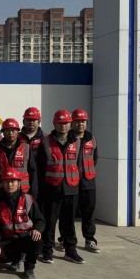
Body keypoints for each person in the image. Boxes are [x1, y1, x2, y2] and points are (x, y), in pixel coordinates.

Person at [37, 109, 84, 264]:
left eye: (66, 123)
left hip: (71, 188)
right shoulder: (45, 141)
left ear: (70, 124)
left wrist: (75, 183)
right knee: (50, 222)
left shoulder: (77, 142)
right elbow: (40, 166)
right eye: (60, 123)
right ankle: (47, 251)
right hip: (52, 188)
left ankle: (70, 251)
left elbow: (78, 165)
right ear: (54, 124)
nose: (63, 126)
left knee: (69, 222)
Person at [0, 168, 45, 279]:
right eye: (6, 181)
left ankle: (29, 268)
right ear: (2, 184)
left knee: (36, 239)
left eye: (13, 181)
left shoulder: (28, 199)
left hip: (25, 238)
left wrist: (37, 229)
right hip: (8, 240)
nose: (9, 184)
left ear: (19, 183)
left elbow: (40, 220)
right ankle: (17, 258)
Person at [70, 108, 100, 253]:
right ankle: (66, 239)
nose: (80, 124)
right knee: (68, 213)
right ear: (72, 123)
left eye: (83, 121)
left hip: (88, 182)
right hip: (70, 182)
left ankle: (90, 239)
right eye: (77, 121)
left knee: (89, 212)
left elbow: (95, 158)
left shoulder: (91, 138)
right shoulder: (67, 138)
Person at [0, 118, 38, 199]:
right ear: (3, 132)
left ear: (18, 132)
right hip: (1, 193)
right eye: (7, 131)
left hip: (23, 192)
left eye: (13, 131)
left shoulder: (26, 148)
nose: (10, 133)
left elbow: (33, 172)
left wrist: (34, 193)